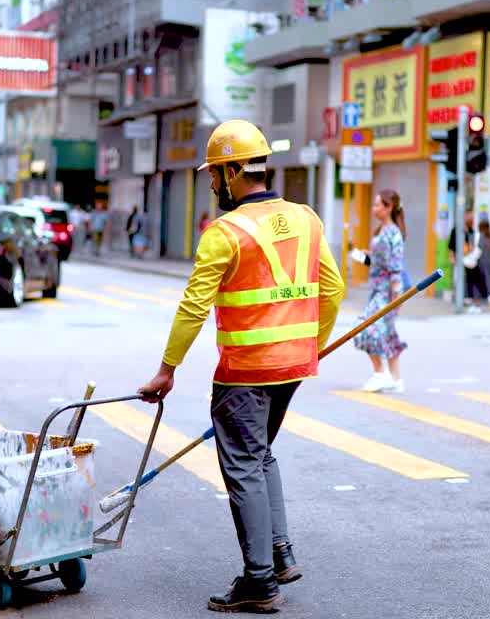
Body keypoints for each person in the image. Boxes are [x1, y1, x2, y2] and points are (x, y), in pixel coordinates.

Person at [137, 120, 345, 613]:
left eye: (215, 174)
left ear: (233, 172)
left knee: (244, 465)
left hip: (245, 372)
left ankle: (259, 582)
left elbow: (193, 308)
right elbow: (332, 290)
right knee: (260, 453)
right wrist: (310, 346)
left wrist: (167, 370)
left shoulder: (224, 232)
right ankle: (279, 552)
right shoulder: (307, 218)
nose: (211, 183)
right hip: (294, 366)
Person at [350, 190, 407, 393]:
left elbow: (395, 266)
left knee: (365, 327)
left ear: (388, 207)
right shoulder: (381, 231)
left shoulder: (393, 233)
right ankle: (396, 379)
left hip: (386, 292)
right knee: (388, 333)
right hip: (376, 290)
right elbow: (381, 262)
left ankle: (380, 374)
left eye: (377, 205)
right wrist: (368, 256)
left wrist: (397, 294)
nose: (374, 209)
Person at [448, 211, 486, 311]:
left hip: (469, 261)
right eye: (469, 218)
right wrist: (452, 257)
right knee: (458, 279)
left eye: (472, 218)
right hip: (459, 259)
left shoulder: (472, 232)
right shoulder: (456, 230)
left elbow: (474, 246)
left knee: (469, 279)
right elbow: (451, 246)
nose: (471, 220)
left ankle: (468, 298)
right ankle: (458, 298)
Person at [477, 220, 490, 311]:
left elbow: (478, 247)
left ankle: (478, 300)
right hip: (489, 261)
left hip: (480, 262)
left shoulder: (481, 236)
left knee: (478, 281)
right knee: (489, 280)